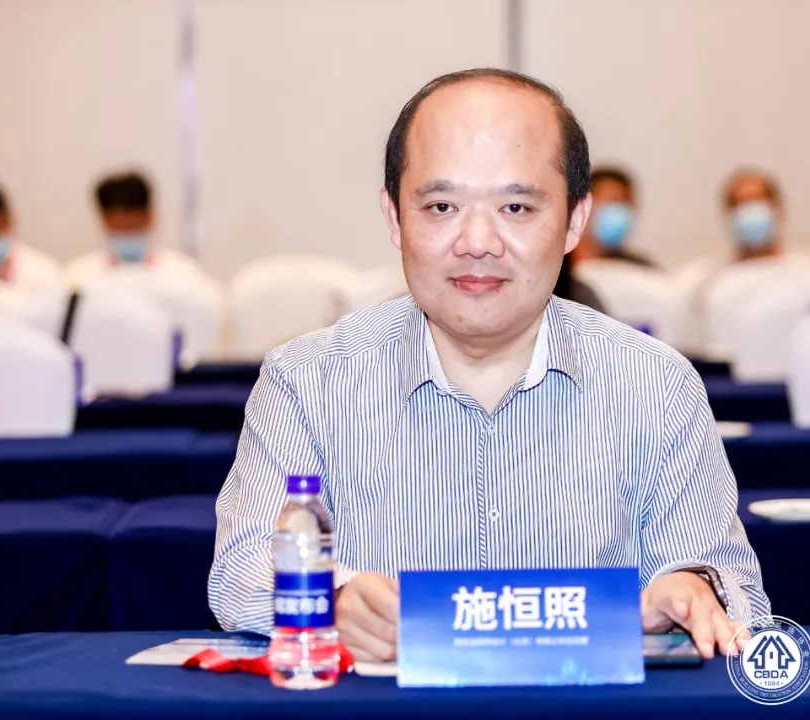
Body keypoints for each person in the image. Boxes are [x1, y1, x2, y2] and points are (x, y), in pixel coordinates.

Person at [209, 68, 768, 662]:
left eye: (516, 207)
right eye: (442, 205)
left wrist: (692, 590)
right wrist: (333, 598)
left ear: (575, 220)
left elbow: (735, 591)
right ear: (395, 217)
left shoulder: (657, 385)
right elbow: (241, 569)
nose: (477, 241)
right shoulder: (307, 380)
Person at [66, 171, 208, 286]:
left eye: (133, 226)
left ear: (151, 218)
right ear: (103, 221)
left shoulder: (184, 274)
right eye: (119, 227)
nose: (127, 234)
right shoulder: (78, 276)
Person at [570, 166, 656, 268]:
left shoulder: (639, 269)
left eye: (626, 205)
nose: (621, 213)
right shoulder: (559, 264)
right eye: (613, 201)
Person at [721, 167, 786, 261]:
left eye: (756, 200)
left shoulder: (802, 267)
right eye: (742, 202)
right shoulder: (711, 270)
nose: (750, 210)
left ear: (776, 208)